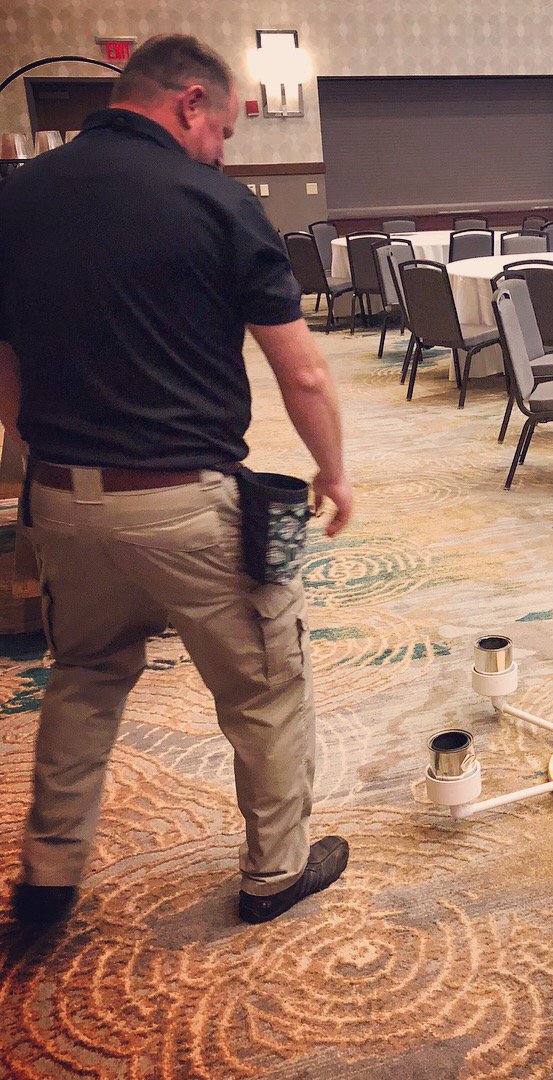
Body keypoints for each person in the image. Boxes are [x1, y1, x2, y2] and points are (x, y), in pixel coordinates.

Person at [0, 35, 354, 926]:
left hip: (58, 500)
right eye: (223, 128)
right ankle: (275, 873)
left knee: (83, 675)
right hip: (185, 503)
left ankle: (46, 881)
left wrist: (45, 458)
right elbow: (302, 372)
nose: (223, 149)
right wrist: (335, 472)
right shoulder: (216, 202)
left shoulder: (16, 199)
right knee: (265, 688)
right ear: (189, 103)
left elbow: (3, 359)